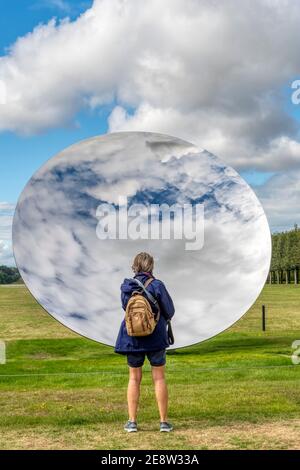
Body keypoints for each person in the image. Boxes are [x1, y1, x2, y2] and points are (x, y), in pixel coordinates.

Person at [115, 252, 175, 433]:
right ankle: (164, 422)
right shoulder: (157, 285)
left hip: (133, 338)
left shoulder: (126, 287)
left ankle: (132, 422)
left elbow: (127, 309)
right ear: (151, 267)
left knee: (134, 378)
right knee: (159, 378)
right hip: (156, 338)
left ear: (135, 266)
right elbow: (170, 311)